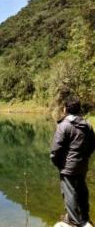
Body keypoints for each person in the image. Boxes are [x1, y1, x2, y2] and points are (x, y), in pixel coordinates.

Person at [51, 96, 95, 227]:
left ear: (65, 109)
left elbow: (55, 150)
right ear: (79, 109)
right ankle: (84, 216)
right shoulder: (87, 125)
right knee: (81, 190)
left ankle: (73, 221)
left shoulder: (64, 125)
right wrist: (84, 157)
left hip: (67, 166)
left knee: (69, 193)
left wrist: (59, 164)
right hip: (82, 165)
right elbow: (93, 144)